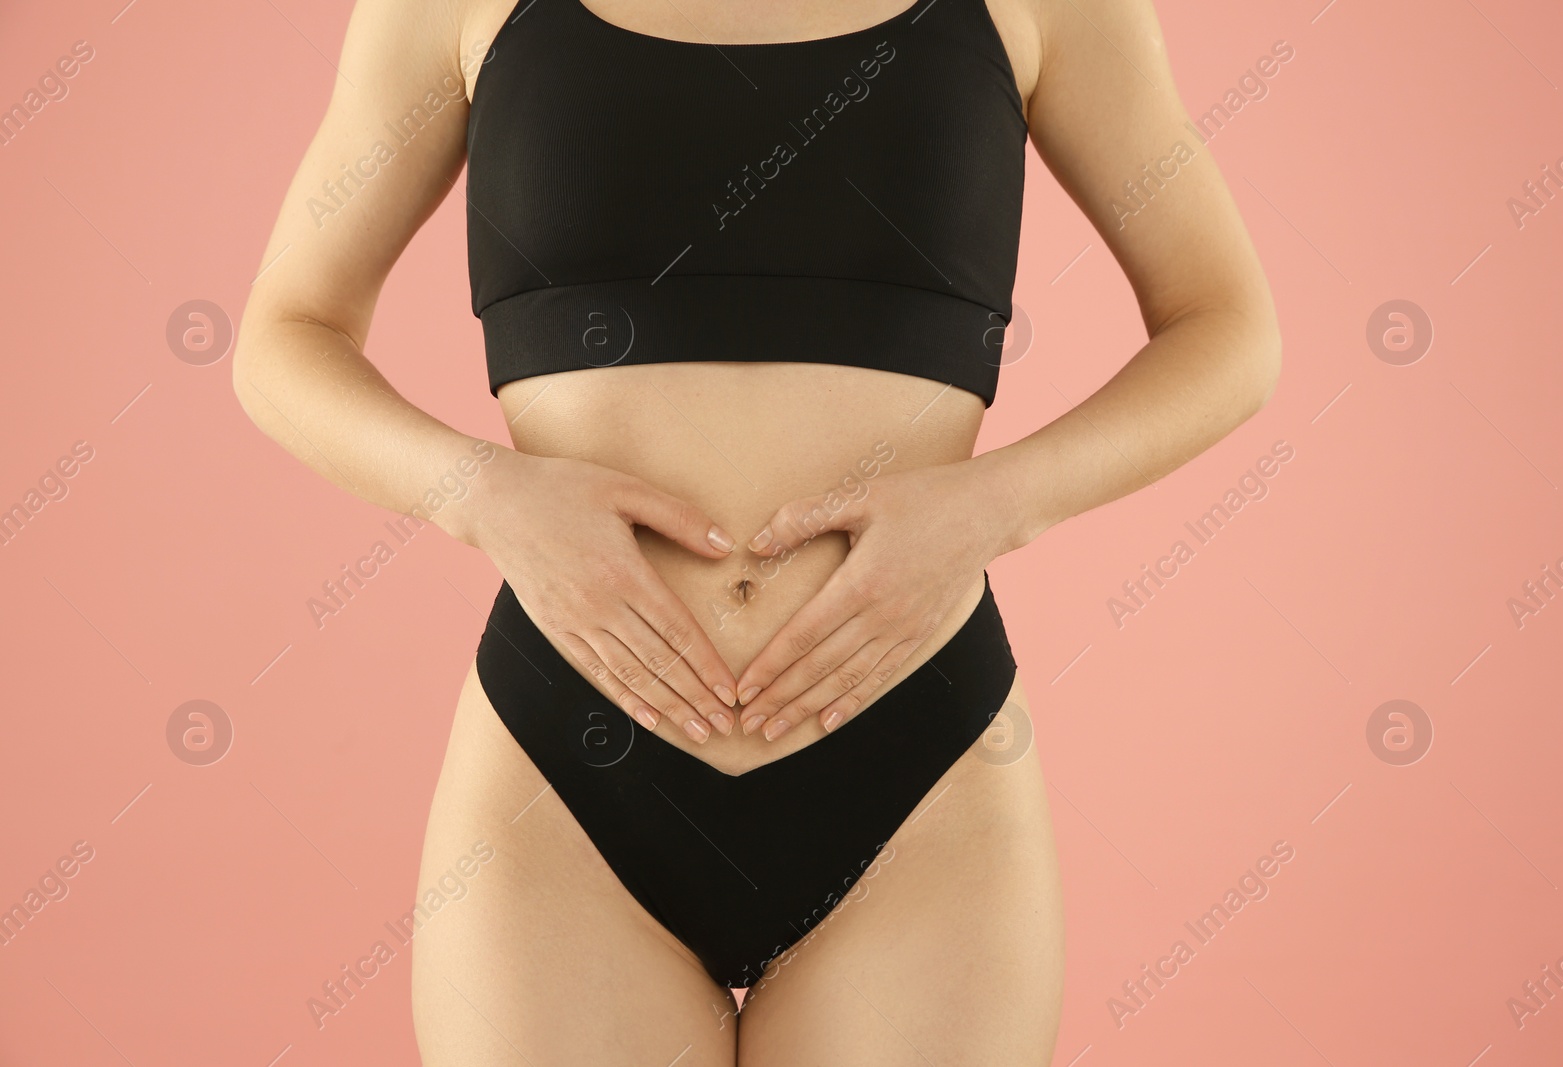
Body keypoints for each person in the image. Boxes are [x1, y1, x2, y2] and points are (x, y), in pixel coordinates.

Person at [233, 0, 1281, 1061]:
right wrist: (480, 492)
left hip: (916, 760)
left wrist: (994, 505)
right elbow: (284, 334)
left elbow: (1226, 324)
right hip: (568, 770)